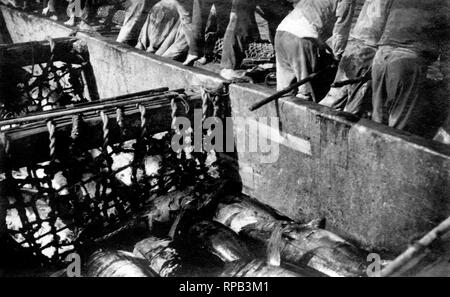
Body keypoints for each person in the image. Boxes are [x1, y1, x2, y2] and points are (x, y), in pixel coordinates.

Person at [371, 0, 449, 135]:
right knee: (398, 126)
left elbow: (379, 24)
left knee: (376, 121)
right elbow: (447, 49)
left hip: (380, 56)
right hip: (406, 61)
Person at [320, 0, 393, 116]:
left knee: (335, 96)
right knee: (355, 103)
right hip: (368, 49)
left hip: (353, 44)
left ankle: (318, 117)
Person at [275, 0, 356, 103]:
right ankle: (302, 117)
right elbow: (341, 29)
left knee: (284, 90)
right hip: (301, 38)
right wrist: (337, 55)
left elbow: (313, 16)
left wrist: (323, 46)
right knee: (305, 91)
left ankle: (279, 115)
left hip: (282, 31)